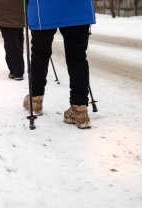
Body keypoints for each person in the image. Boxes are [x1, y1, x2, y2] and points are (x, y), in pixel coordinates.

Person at [23, 0, 96, 129]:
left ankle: (35, 100)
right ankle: (79, 109)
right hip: (78, 8)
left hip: (43, 7)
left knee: (40, 53)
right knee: (77, 57)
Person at [0, 0, 25, 80]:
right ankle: (17, 69)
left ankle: (17, 71)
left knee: (11, 41)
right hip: (20, 9)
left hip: (3, 10)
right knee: (18, 38)